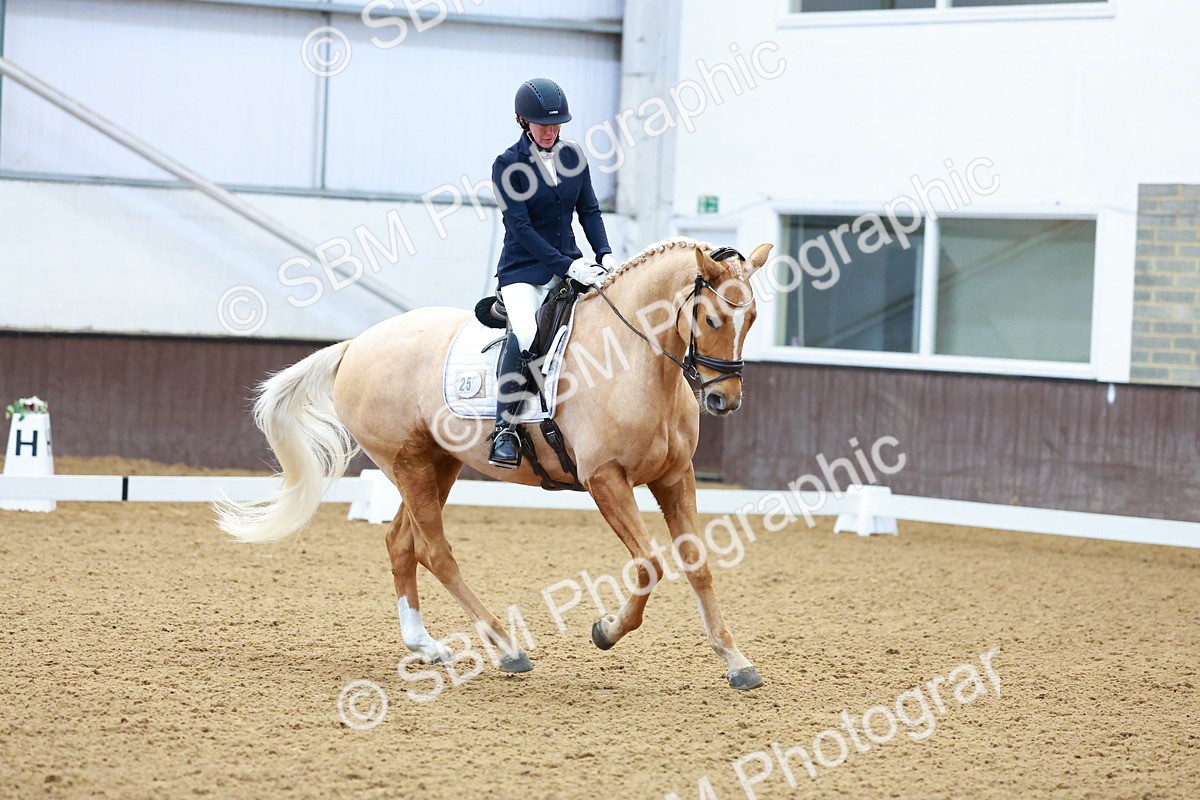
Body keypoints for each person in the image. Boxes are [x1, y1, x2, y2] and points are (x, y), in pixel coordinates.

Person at [486, 77, 618, 469]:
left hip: (572, 265)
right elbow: (520, 228)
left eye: (557, 124)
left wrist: (605, 255)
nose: (550, 131)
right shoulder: (507, 165)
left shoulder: (573, 156)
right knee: (527, 333)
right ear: (523, 122)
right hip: (523, 270)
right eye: (542, 124)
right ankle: (505, 431)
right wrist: (567, 265)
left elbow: (589, 211)